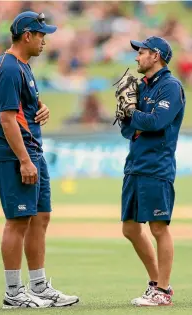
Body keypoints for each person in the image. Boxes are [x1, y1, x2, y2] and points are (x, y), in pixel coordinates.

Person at [0, 11, 79, 309]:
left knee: (40, 217)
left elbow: (24, 106)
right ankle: (13, 293)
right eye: (41, 35)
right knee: (18, 221)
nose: (44, 41)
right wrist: (25, 161)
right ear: (27, 35)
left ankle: (38, 286)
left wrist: (41, 107)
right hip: (15, 154)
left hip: (32, 151)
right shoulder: (10, 67)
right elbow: (7, 119)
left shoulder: (23, 67)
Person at [119, 36, 185, 306]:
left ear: (156, 55)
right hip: (135, 165)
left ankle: (163, 290)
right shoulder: (141, 86)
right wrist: (134, 118)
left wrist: (133, 115)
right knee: (130, 228)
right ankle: (155, 283)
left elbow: (157, 122)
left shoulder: (170, 86)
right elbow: (125, 128)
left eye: (141, 52)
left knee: (159, 227)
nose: (137, 57)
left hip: (157, 166)